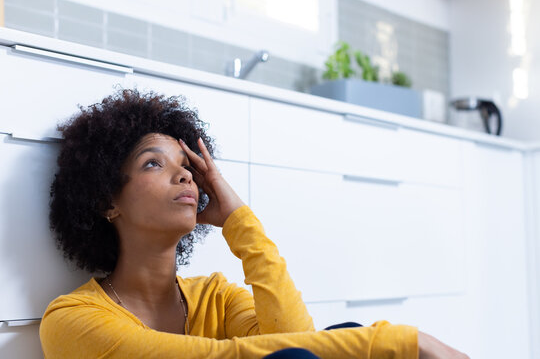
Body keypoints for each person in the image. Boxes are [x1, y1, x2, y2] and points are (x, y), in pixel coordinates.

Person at [40, 89, 468, 358]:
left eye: (188, 166)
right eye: (154, 163)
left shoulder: (216, 297)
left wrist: (238, 221)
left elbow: (296, 337)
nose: (186, 175)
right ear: (106, 200)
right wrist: (406, 342)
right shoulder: (72, 320)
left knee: (328, 342)